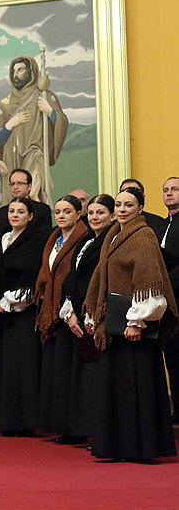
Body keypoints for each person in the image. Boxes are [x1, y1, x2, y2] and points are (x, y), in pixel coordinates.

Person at [84, 187, 178, 462]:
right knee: (116, 389)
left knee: (138, 388)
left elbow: (151, 285)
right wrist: (95, 316)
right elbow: (102, 279)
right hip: (115, 327)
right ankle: (117, 446)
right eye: (119, 205)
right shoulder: (112, 236)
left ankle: (141, 448)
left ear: (140, 209)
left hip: (135, 329)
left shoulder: (144, 236)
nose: (122, 209)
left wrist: (137, 321)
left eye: (129, 205)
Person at [0, 197, 49, 437]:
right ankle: (7, 421)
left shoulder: (37, 241)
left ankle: (26, 422)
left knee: (24, 367)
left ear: (30, 216)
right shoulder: (1, 239)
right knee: (4, 367)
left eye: (21, 211)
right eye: (12, 211)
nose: (15, 215)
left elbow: (32, 278)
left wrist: (7, 302)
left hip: (21, 311)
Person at [59, 194, 116, 441]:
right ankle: (82, 429)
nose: (94, 217)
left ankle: (100, 432)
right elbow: (72, 278)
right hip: (78, 316)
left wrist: (93, 313)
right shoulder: (84, 242)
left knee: (99, 378)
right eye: (91, 212)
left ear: (112, 216)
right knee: (82, 376)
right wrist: (69, 312)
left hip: (99, 317)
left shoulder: (113, 241)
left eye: (100, 212)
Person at [34, 195, 88, 442]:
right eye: (58, 211)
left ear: (79, 213)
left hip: (71, 312)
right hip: (51, 313)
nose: (61, 216)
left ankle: (75, 429)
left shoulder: (84, 239)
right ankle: (60, 425)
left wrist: (68, 307)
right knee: (56, 372)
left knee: (70, 372)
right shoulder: (53, 239)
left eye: (67, 211)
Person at [0, 55, 68, 203]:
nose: (15, 74)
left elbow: (61, 125)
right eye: (14, 71)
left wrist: (51, 112)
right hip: (11, 159)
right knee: (13, 202)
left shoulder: (44, 96)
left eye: (21, 70)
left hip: (35, 153)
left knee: (34, 197)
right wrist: (10, 125)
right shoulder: (5, 104)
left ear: (31, 72)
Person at [154, 177, 179, 423]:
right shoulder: (161, 225)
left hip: (176, 295)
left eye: (174, 189)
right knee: (170, 357)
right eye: (165, 190)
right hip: (162, 303)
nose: (169, 193)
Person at [0, 168, 52, 239]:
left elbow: (45, 238)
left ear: (29, 186)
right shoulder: (2, 212)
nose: (15, 187)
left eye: (20, 183)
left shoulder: (42, 210)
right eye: (12, 184)